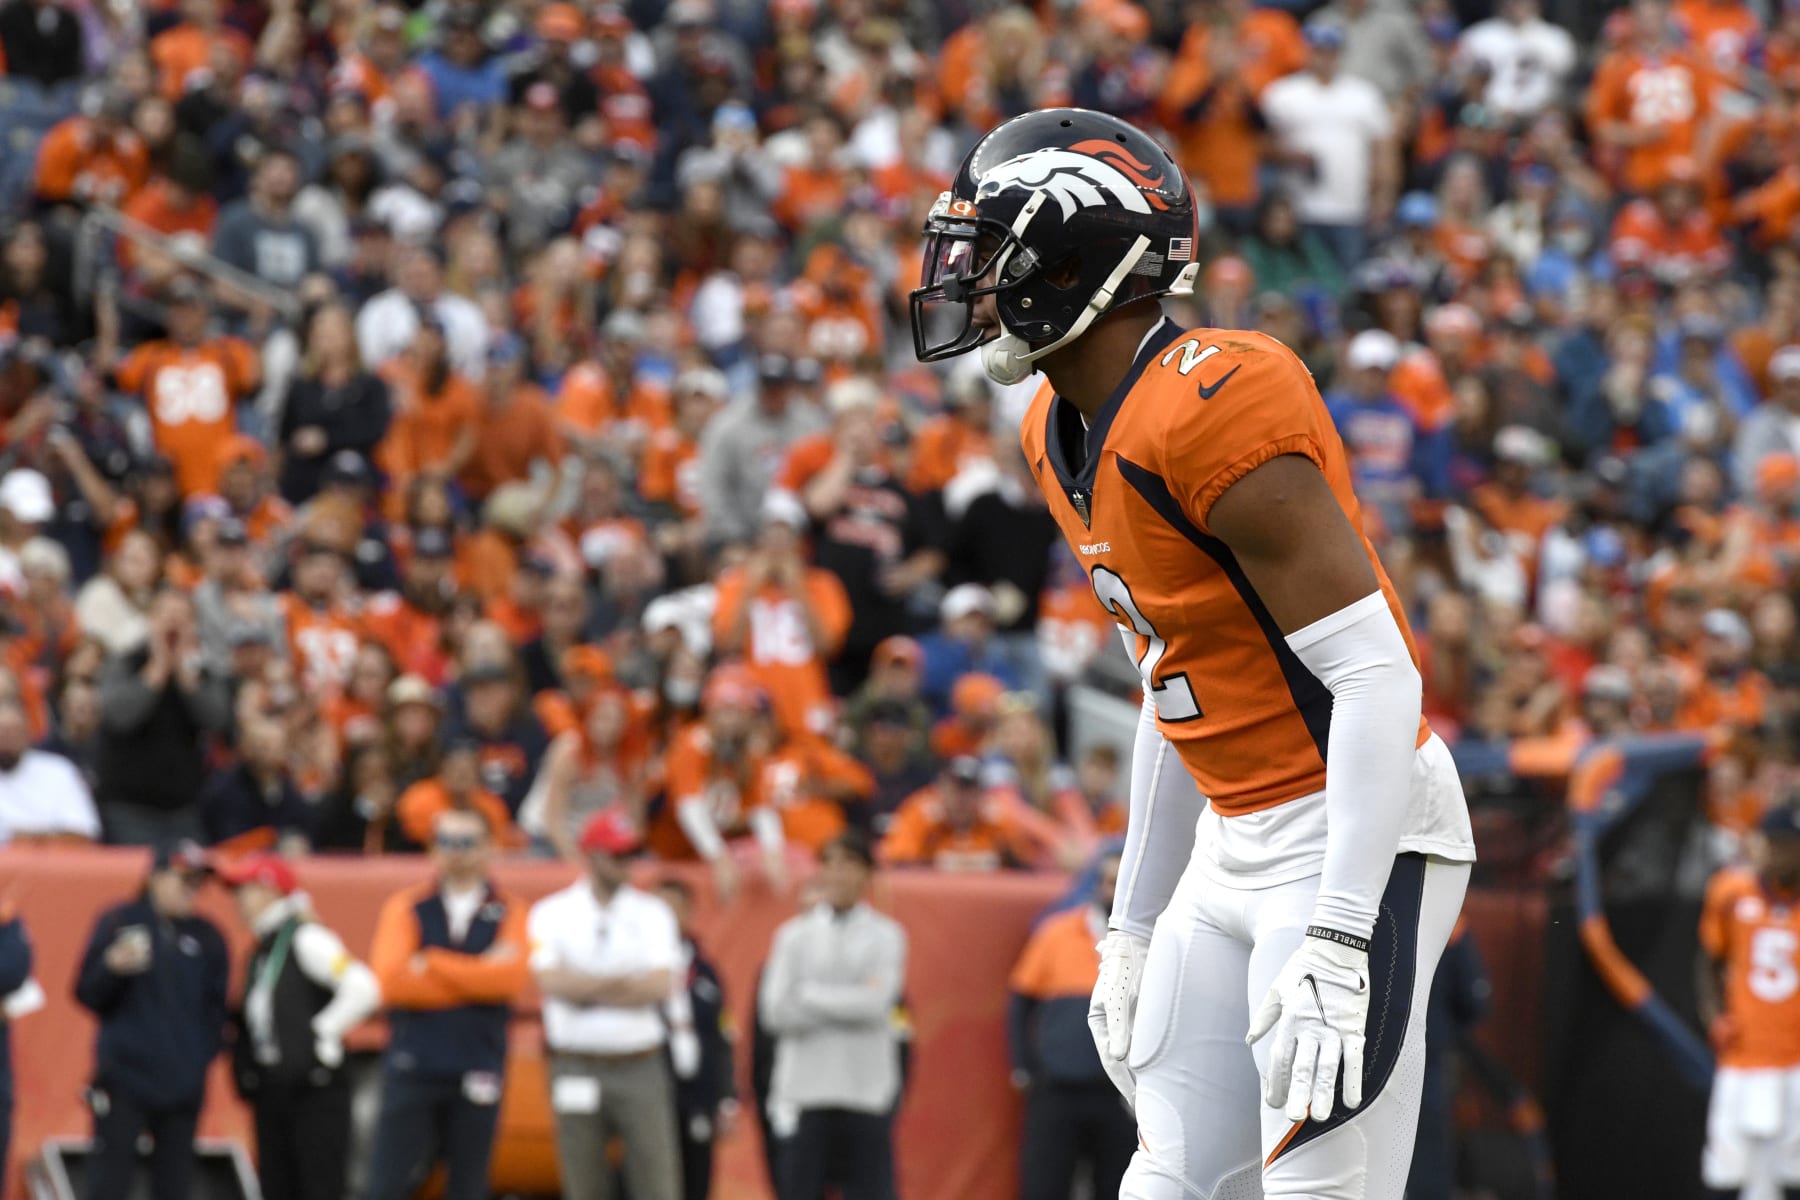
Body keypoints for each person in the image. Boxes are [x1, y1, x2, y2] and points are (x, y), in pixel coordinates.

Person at [909, 108, 1474, 1199]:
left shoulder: (1214, 398)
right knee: (1168, 1181)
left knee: (1316, 1185)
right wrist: (1131, 922)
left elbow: (1377, 674)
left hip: (1350, 826)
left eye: (993, 255)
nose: (967, 283)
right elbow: (1176, 684)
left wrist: (1341, 931)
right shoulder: (1055, 427)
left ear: (1069, 263)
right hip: (1231, 836)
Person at [365, 808, 530, 1200]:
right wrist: (477, 971)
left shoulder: (510, 909)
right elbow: (392, 983)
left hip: (478, 1063)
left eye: (467, 842)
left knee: (469, 1185)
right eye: (446, 841)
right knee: (386, 1184)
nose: (456, 851)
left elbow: (507, 981)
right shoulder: (406, 906)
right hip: (413, 1064)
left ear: (490, 847)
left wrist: (433, 962)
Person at [527, 808, 684, 1200]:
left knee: (657, 1180)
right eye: (618, 854)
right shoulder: (552, 912)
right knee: (583, 1181)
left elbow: (658, 986)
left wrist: (584, 987)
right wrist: (623, 984)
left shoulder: (653, 912)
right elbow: (550, 981)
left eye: (632, 853)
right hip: (575, 1061)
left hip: (639, 1063)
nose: (627, 863)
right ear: (592, 855)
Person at [73, 839, 229, 1200]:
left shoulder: (207, 937)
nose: (192, 890)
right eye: (184, 879)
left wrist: (197, 1059)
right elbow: (86, 993)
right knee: (110, 1183)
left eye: (197, 882)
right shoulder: (120, 921)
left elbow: (217, 1009)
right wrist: (111, 968)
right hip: (126, 1080)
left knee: (174, 1185)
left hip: (182, 1085)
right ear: (157, 878)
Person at [218, 853, 380, 1200]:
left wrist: (322, 1031)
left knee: (317, 1186)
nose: (238, 901)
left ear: (270, 891)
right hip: (275, 1089)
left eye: (245, 890)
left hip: (313, 1090)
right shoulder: (262, 949)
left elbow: (364, 988)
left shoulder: (307, 938)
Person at [759, 831, 906, 1200]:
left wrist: (808, 994)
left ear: (867, 874)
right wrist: (850, 1000)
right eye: (830, 864)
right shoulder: (792, 936)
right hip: (805, 1093)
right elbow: (775, 1012)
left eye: (849, 864)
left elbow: (875, 1005)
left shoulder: (887, 936)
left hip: (865, 1093)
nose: (838, 874)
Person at [1009, 852, 1136, 1200]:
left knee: (1120, 1188)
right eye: (1110, 882)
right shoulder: (1058, 932)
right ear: (1096, 885)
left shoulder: (1151, 942)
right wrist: (1023, 1067)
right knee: (1045, 1184)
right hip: (1058, 1088)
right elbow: (1020, 1001)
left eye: (1124, 883)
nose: (1116, 891)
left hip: (1120, 1094)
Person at [1698, 804, 1800, 1200]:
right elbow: (1708, 961)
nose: (1781, 855)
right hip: (1745, 1053)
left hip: (1796, 1056)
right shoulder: (1731, 891)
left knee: (1790, 1174)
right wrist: (1714, 1016)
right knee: (1732, 1173)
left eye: (1790, 846)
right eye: (1776, 844)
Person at [96, 586, 232, 845]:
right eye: (166, 616)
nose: (174, 625)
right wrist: (158, 668)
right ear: (150, 621)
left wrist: (183, 673)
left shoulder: (202, 671)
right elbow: (118, 716)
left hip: (184, 810)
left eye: (182, 618)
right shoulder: (126, 661)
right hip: (129, 809)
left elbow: (217, 719)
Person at [654, 877, 738, 1200]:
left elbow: (722, 1036)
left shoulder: (705, 972)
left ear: (689, 913)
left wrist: (727, 1098)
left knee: (696, 1182)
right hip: (651, 1091)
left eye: (674, 908)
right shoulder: (635, 967)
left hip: (697, 1094)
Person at [0, 693, 101, 843]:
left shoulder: (59, 770)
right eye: (2, 733)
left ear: (28, 733)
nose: (7, 739)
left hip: (51, 856)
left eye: (14, 731)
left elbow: (83, 831)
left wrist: (23, 839)